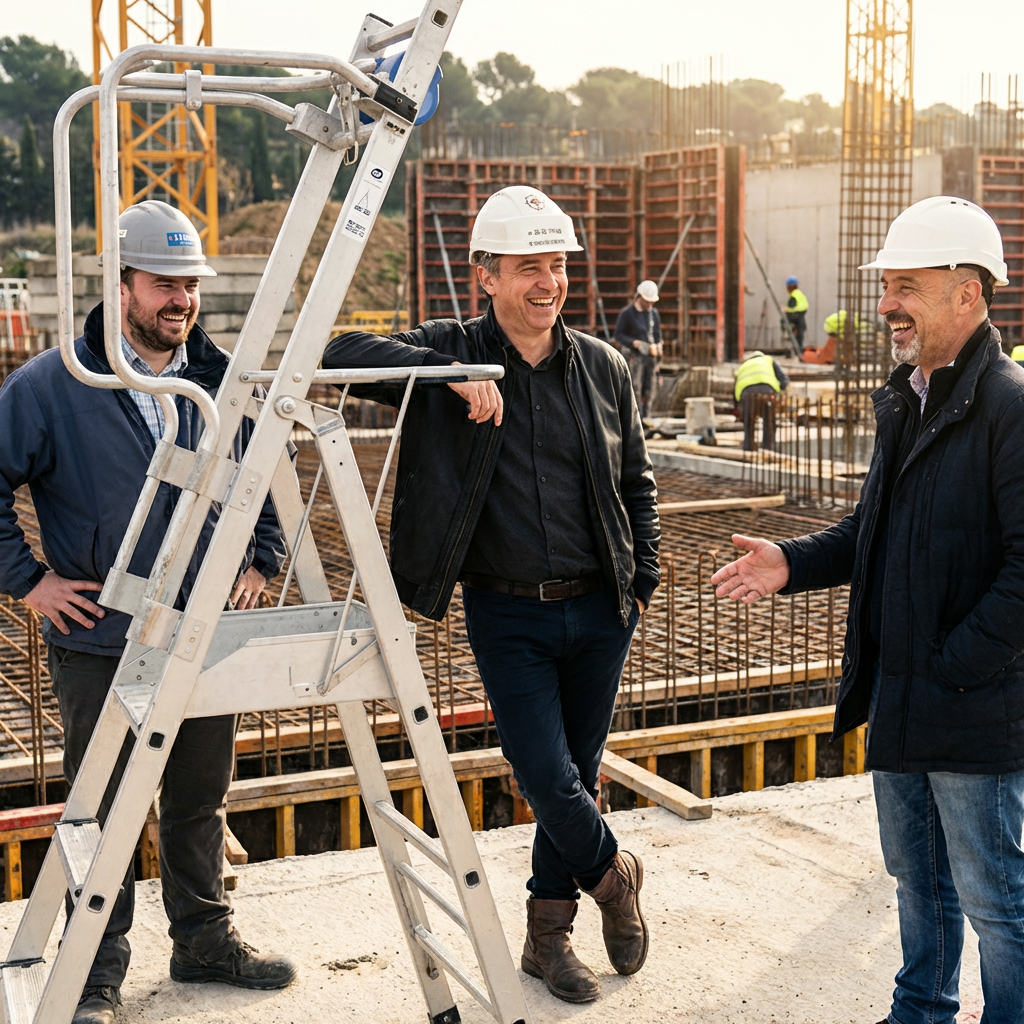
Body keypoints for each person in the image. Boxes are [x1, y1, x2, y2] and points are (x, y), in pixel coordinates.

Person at [321, 185, 660, 1005]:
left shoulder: (604, 366)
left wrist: (642, 578)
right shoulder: (450, 348)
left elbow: (637, 482)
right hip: (507, 612)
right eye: (527, 268)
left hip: (601, 607)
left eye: (557, 266)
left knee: (575, 773)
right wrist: (448, 376)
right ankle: (613, 876)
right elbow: (335, 353)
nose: (548, 283)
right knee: (543, 774)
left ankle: (548, 939)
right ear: (486, 276)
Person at [710, 196, 1024, 1024]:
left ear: (968, 292)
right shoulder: (909, 400)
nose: (886, 304)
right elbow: (871, 531)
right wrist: (791, 561)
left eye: (906, 287)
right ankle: (919, 1011)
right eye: (886, 286)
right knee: (917, 880)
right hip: (900, 694)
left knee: (996, 900)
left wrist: (954, 668)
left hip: (971, 707)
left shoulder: (1009, 406)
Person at [0, 201, 296, 1024]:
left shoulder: (219, 379)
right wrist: (29, 581)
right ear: (121, 283)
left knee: (200, 798)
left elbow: (260, 473)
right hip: (101, 637)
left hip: (199, 635)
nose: (182, 300)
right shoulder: (55, 384)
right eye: (165, 284)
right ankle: (97, 972)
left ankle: (204, 940)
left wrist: (262, 556)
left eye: (189, 284)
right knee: (101, 810)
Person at [613, 279, 663, 419]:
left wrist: (658, 345)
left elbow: (657, 334)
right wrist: (633, 343)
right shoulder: (627, 313)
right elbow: (618, 335)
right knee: (635, 387)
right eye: (647, 301)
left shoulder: (653, 313)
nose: (650, 304)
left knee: (649, 387)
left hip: (650, 357)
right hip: (634, 357)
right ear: (639, 297)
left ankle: (646, 417)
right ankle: (635, 419)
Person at [734, 349, 789, 450]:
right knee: (769, 421)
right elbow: (784, 379)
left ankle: (749, 448)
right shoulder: (768, 360)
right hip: (767, 393)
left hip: (746, 394)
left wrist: (737, 406)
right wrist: (777, 391)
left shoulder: (743, 365)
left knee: (748, 423)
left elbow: (735, 387)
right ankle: (768, 448)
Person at [785, 275, 809, 348]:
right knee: (799, 340)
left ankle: (797, 352)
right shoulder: (799, 293)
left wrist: (786, 310)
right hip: (801, 319)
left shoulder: (793, 296)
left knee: (797, 341)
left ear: (789, 287)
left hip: (796, 320)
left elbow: (792, 309)